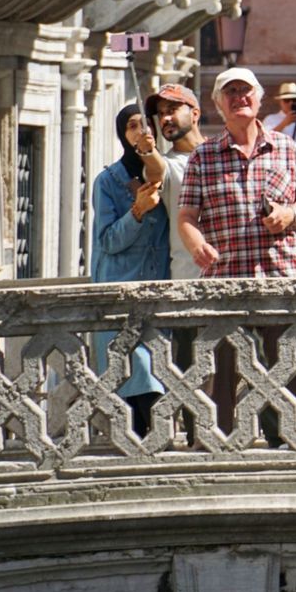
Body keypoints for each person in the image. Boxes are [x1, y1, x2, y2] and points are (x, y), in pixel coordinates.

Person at [177, 67, 296, 278]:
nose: (239, 97)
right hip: (226, 279)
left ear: (259, 99)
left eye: (246, 90)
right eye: (230, 92)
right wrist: (197, 245)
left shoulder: (286, 147)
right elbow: (186, 216)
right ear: (218, 104)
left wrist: (289, 214)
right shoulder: (203, 156)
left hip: (285, 275)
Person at [90, 103, 170, 436]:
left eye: (146, 125)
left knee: (160, 371)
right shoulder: (107, 182)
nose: (142, 131)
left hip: (161, 290)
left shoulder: (168, 174)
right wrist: (136, 212)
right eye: (133, 126)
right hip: (120, 289)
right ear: (124, 135)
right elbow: (107, 240)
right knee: (135, 370)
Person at [144, 83, 205, 280]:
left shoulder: (222, 156)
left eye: (172, 110)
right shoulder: (167, 164)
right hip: (189, 276)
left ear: (195, 114)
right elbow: (155, 173)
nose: (165, 119)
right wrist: (147, 151)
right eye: (160, 114)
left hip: (232, 272)